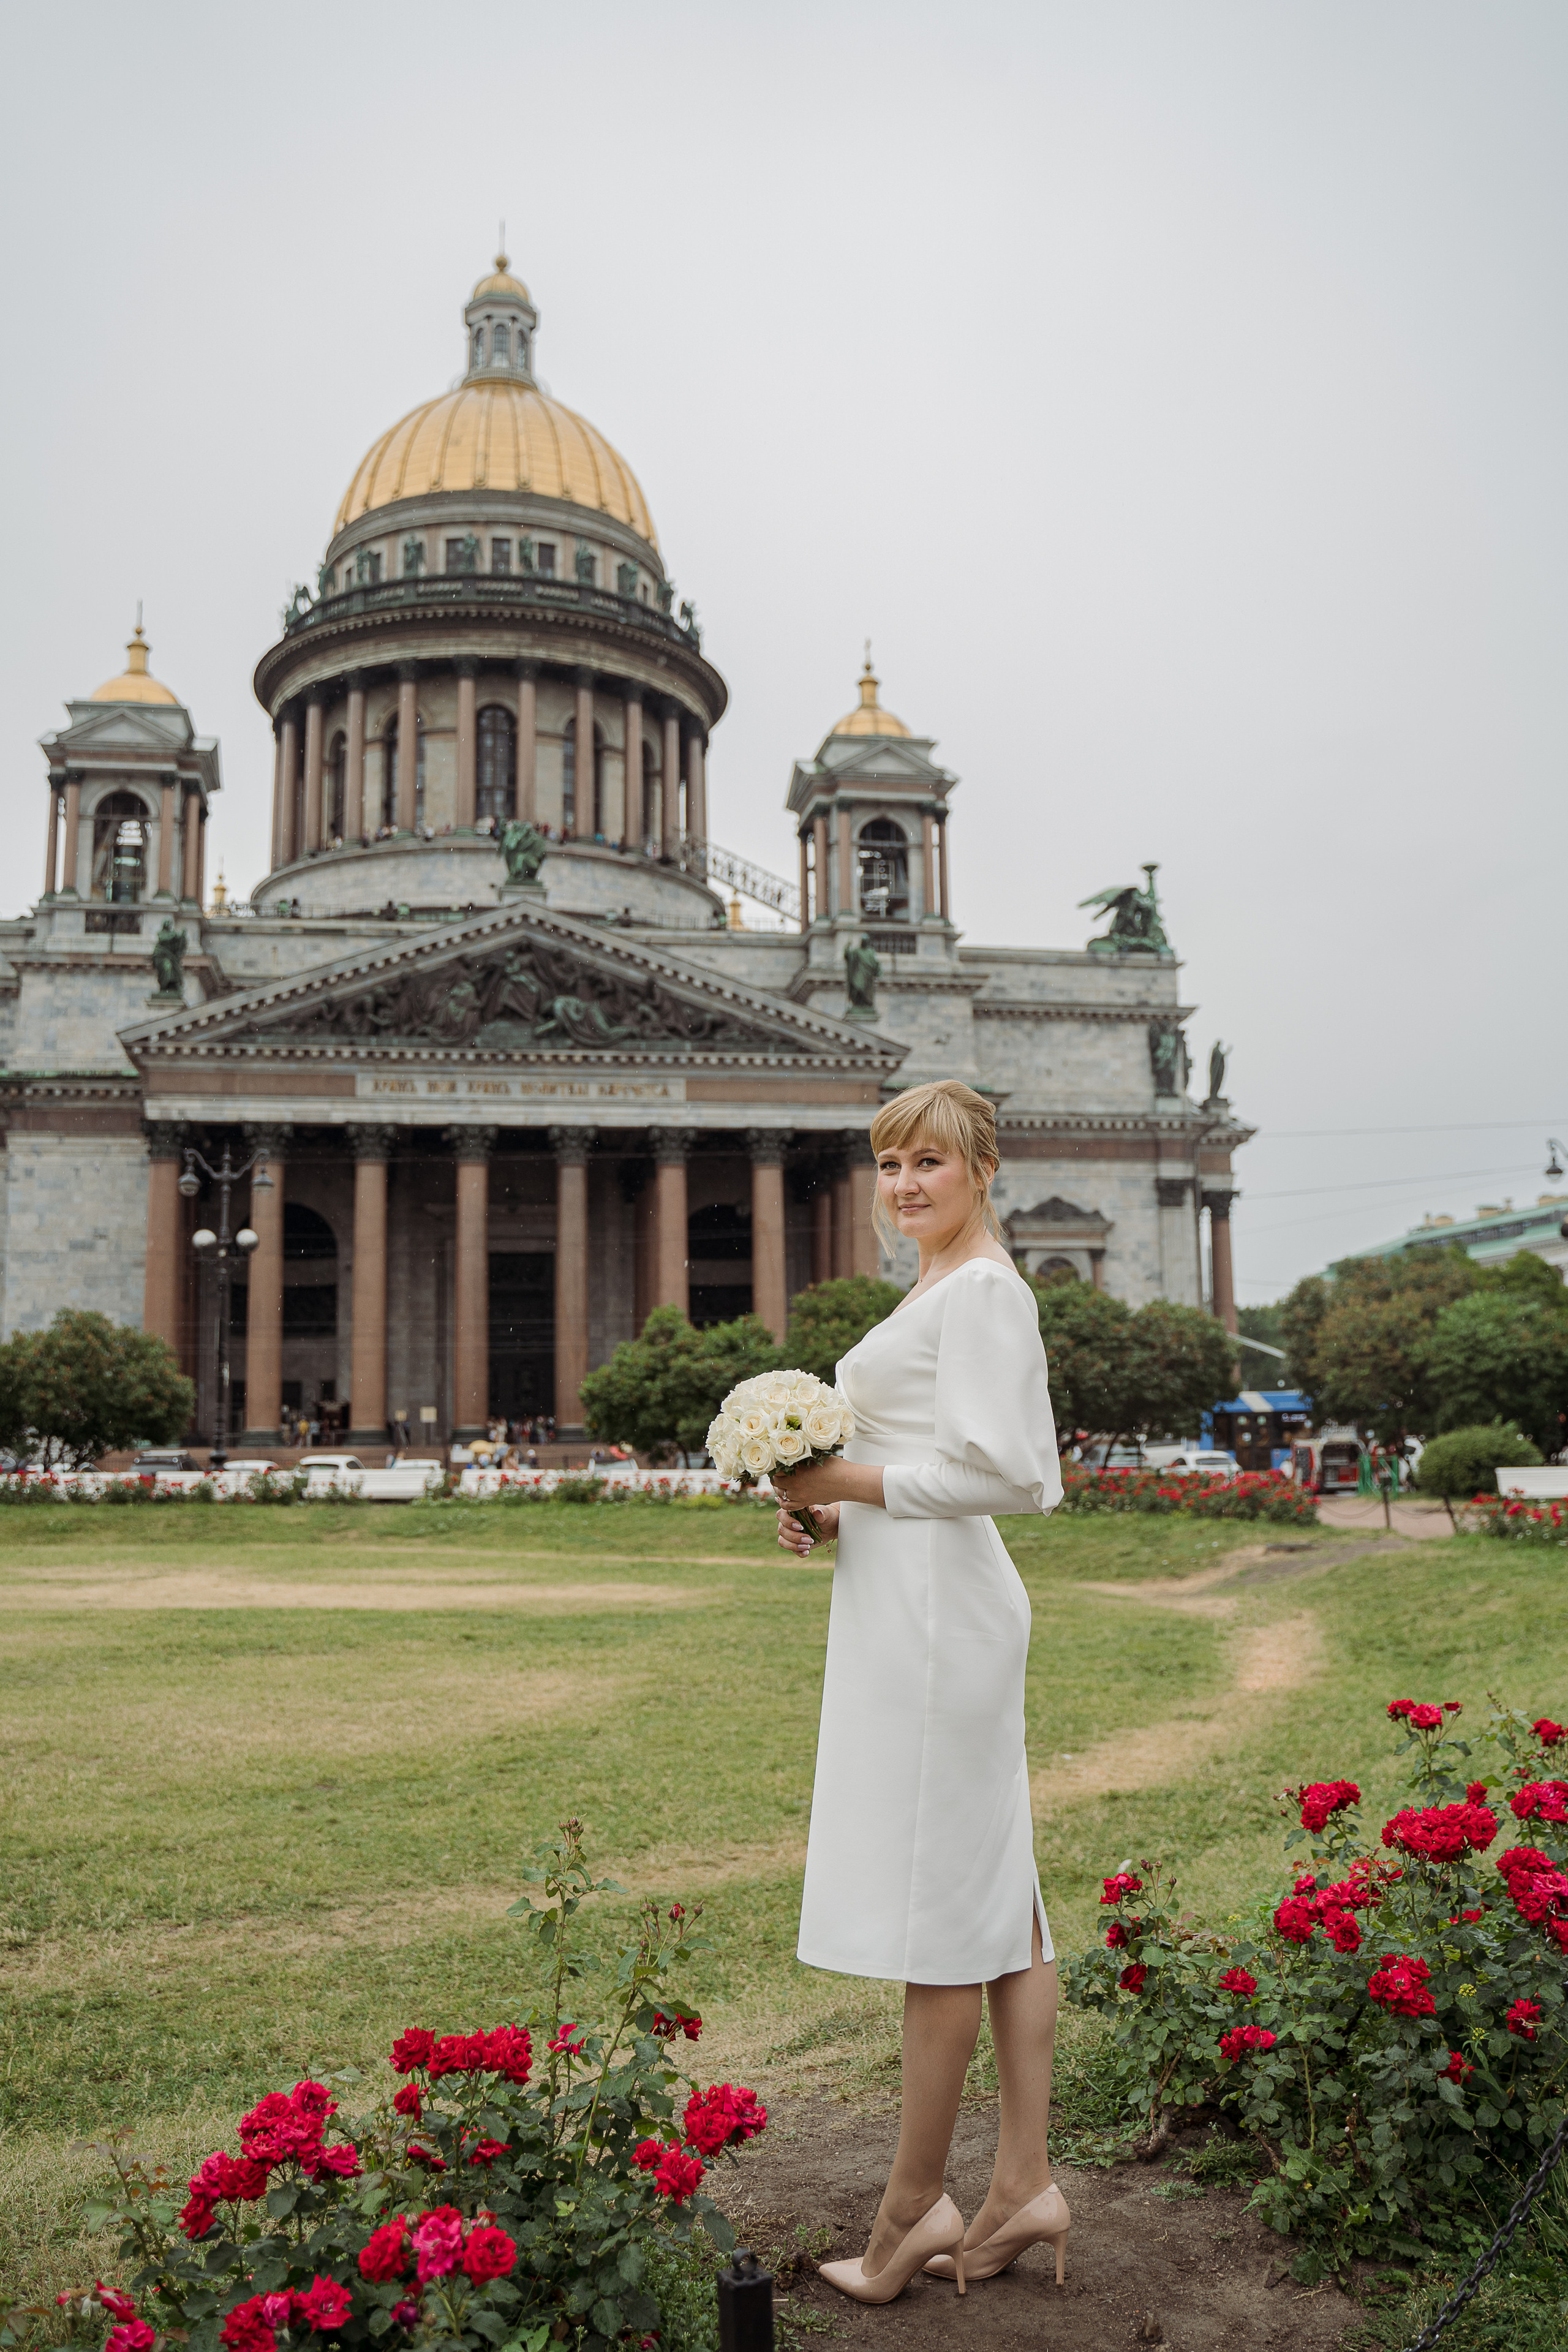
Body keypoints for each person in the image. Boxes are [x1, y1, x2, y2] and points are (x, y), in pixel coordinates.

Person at [774, 1079, 1067, 2306]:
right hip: (917, 1602)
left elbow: (1012, 1472)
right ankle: (1019, 2186)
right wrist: (836, 1510)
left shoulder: (986, 1291)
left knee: (938, 1913)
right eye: (887, 1166)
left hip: (943, 1622)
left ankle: (910, 2213)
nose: (901, 1187)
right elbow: (924, 1464)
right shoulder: (939, 1285)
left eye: (926, 1165)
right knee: (998, 1898)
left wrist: (847, 1473)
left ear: (979, 1169)